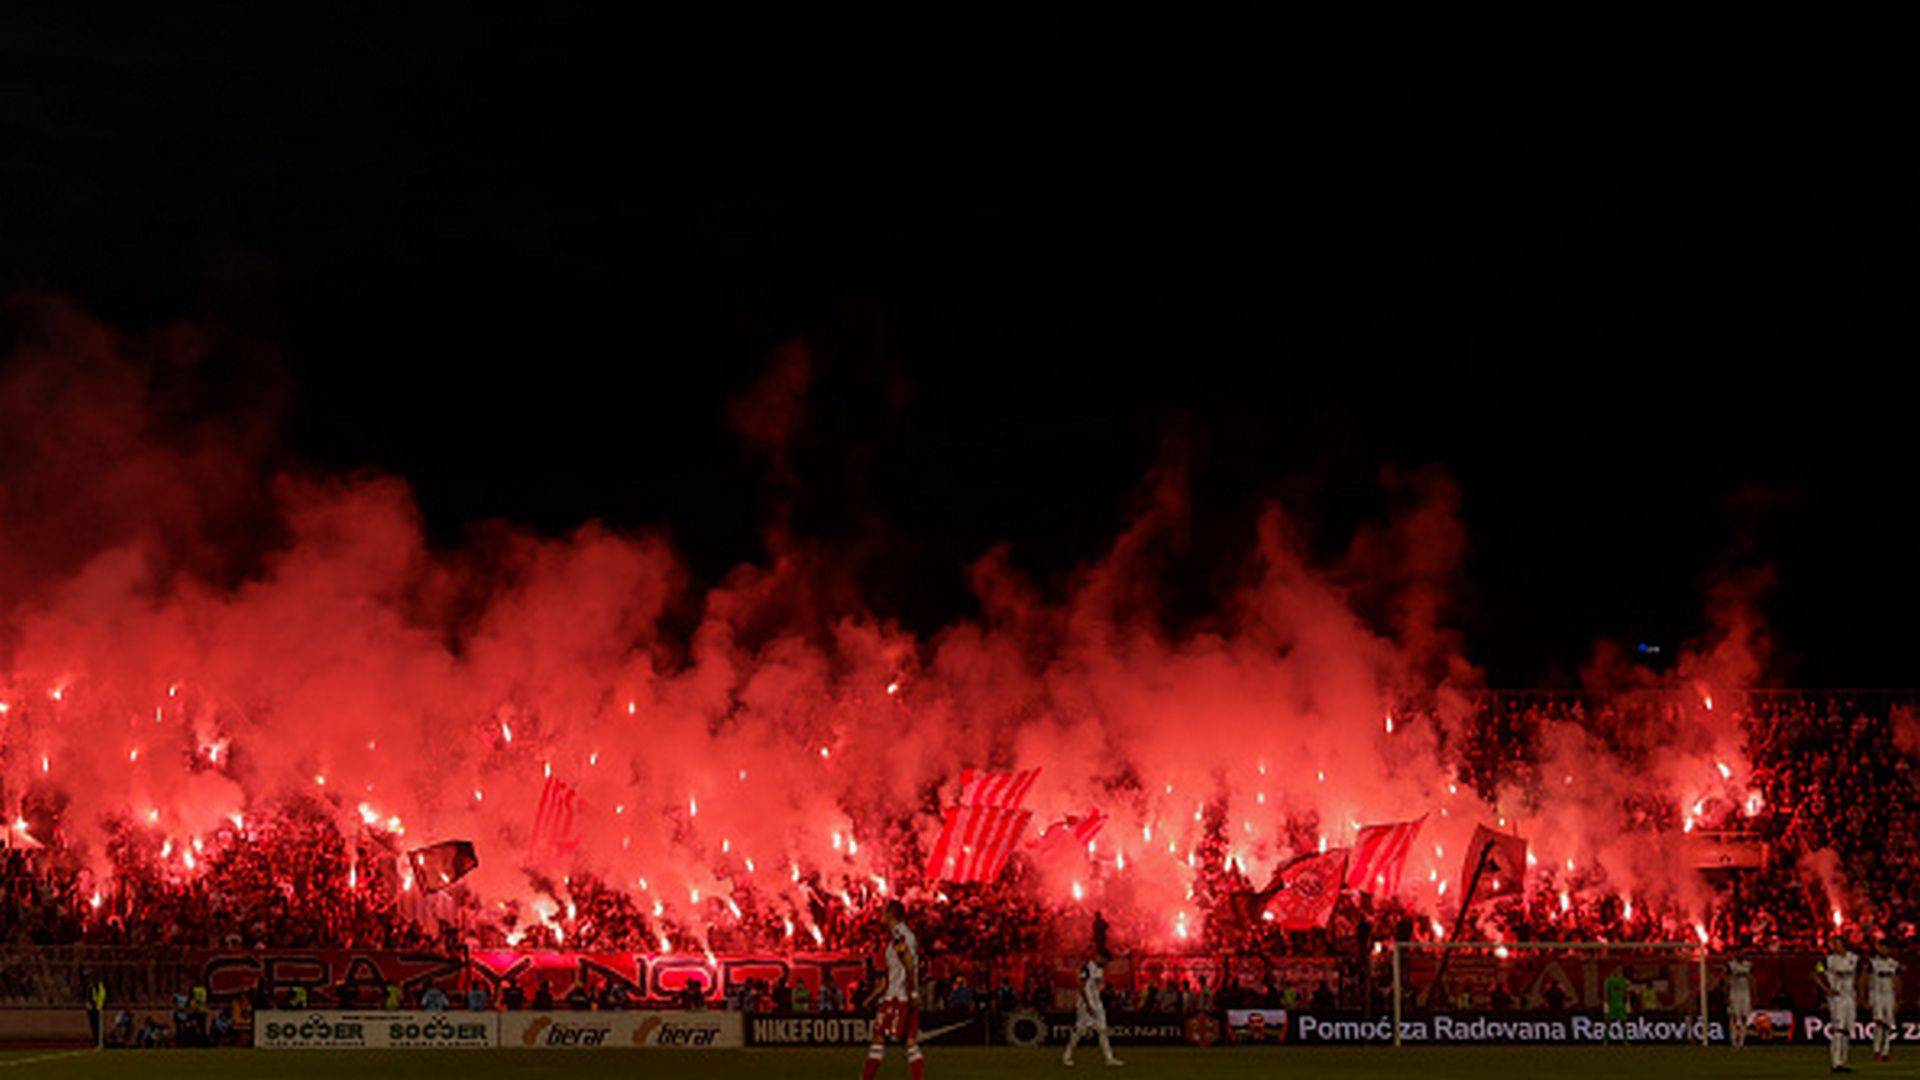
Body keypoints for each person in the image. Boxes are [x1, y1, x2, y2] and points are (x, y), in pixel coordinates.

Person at [860, 900, 926, 1080]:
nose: (881, 916)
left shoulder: (899, 936)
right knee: (910, 1042)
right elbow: (894, 974)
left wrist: (912, 993)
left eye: (884, 912)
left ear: (891, 914)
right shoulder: (902, 936)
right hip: (899, 994)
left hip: (898, 997)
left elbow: (910, 966)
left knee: (879, 1037)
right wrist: (872, 998)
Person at [1061, 947, 1123, 1068]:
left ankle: (1109, 1058)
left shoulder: (1100, 970)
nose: (1106, 963)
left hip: (1097, 1004)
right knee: (1079, 1030)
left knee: (1103, 1030)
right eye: (1105, 960)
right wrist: (1088, 1004)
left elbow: (1096, 988)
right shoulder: (1087, 968)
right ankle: (1067, 1056)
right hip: (1085, 1004)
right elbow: (1081, 986)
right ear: (1100, 957)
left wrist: (1097, 1003)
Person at [1816, 934, 1861, 1073]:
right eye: (1833, 944)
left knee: (1847, 1029)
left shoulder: (1853, 959)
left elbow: (1860, 975)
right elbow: (1815, 972)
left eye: (1837, 943)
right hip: (1837, 998)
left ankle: (1843, 1060)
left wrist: (1860, 993)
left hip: (1850, 997)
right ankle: (1836, 1062)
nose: (1834, 946)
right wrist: (1826, 989)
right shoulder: (1828, 960)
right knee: (1838, 1029)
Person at [1869, 941, 1899, 1063]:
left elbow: (1897, 981)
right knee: (1879, 1023)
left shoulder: (1894, 964)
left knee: (1888, 1024)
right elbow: (1866, 978)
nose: (1884, 950)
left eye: (1886, 948)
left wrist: (1897, 998)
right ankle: (1876, 1051)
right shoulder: (1873, 963)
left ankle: (1885, 1052)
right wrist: (1866, 997)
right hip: (1877, 994)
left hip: (1889, 995)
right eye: (1882, 948)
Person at [1726, 955, 1753, 1051]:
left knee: (1744, 1017)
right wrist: (1727, 995)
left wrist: (1753, 994)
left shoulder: (1748, 965)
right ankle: (1733, 1041)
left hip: (1745, 994)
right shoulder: (1731, 965)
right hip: (1734, 993)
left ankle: (1742, 1042)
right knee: (1733, 1017)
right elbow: (1726, 980)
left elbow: (1752, 980)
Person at [1602, 969, 1630, 1045]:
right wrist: (1606, 1004)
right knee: (1608, 1023)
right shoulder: (1610, 981)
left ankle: (1625, 1041)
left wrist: (1627, 1003)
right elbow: (1606, 993)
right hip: (1613, 1005)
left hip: (1619, 1005)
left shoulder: (1621, 981)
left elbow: (1626, 993)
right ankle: (1605, 1040)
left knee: (1623, 1023)